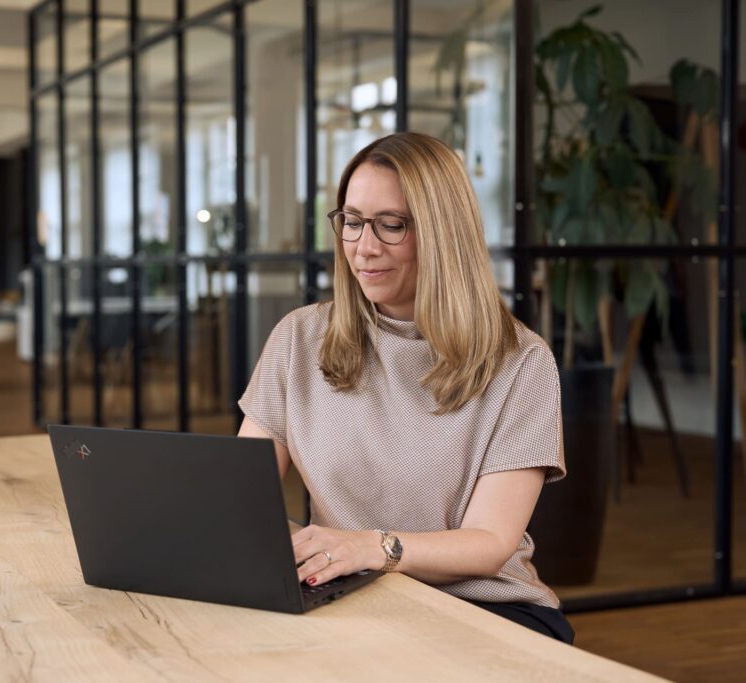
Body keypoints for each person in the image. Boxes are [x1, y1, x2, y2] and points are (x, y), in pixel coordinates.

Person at [237, 132, 574, 643]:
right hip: (348, 596)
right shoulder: (299, 338)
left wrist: (375, 548)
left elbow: (490, 542)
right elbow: (243, 497)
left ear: (443, 233)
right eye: (352, 221)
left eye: (391, 225)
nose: (364, 247)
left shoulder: (521, 361)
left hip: (483, 606)